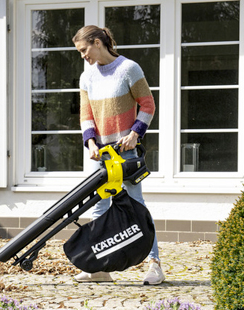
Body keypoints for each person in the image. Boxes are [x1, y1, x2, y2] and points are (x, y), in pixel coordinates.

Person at [72, 25, 164, 285]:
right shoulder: (87, 77)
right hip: (100, 156)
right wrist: (89, 142)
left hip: (126, 153)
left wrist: (136, 133)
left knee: (136, 207)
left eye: (84, 50)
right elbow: (85, 115)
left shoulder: (129, 69)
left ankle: (154, 265)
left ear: (98, 42)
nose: (83, 56)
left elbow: (147, 105)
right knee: (98, 208)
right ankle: (99, 268)